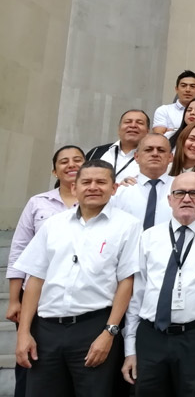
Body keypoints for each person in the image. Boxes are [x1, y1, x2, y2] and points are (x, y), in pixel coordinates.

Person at [14, 160, 140, 397]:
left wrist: (109, 332)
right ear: (74, 188)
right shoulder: (53, 225)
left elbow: (127, 282)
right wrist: (24, 332)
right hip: (46, 329)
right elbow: (35, 279)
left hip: (93, 328)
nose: (93, 187)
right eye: (86, 182)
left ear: (114, 188)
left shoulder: (128, 226)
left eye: (101, 182)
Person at [121, 172, 195, 395]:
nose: (186, 198)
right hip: (150, 335)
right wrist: (129, 349)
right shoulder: (149, 237)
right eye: (180, 192)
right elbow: (137, 294)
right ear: (170, 199)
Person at [6, 146, 86, 397]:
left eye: (77, 160)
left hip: (80, 299)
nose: (71, 165)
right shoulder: (38, 202)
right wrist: (13, 299)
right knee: (31, 365)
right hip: (36, 297)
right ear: (55, 170)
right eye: (64, 161)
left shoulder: (100, 202)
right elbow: (19, 250)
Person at [111, 133, 175, 229]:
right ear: (136, 157)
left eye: (161, 150)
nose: (155, 154)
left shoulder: (182, 190)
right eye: (148, 150)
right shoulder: (121, 191)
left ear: (170, 157)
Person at [85, 109, 150, 181]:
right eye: (128, 122)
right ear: (119, 129)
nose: (133, 125)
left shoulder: (154, 157)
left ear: (148, 131)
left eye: (140, 123)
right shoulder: (96, 152)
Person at [153, 71, 195, 135]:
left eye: (192, 86)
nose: (188, 90)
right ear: (176, 89)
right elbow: (159, 137)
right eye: (183, 86)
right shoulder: (164, 110)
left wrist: (172, 132)